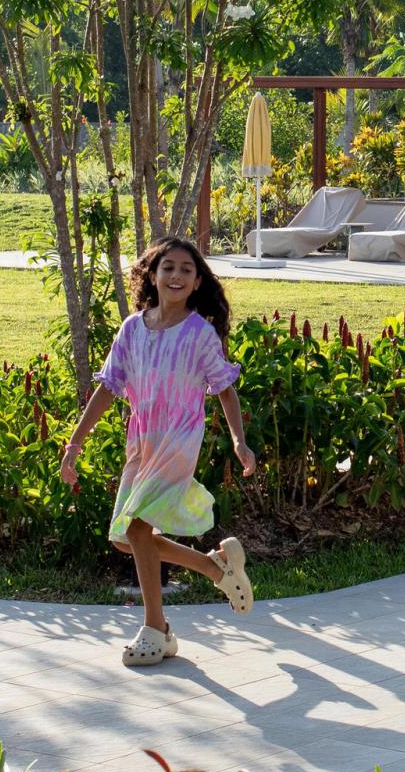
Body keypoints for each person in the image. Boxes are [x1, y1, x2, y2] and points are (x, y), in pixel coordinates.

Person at [59, 235, 259, 666]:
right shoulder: (132, 329)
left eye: (187, 269)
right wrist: (75, 441)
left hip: (179, 440)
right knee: (127, 539)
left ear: (197, 282)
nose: (177, 275)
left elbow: (224, 390)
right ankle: (215, 567)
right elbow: (108, 388)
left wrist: (240, 440)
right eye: (168, 267)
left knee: (136, 530)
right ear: (153, 274)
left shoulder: (200, 334)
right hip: (143, 441)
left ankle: (157, 630)